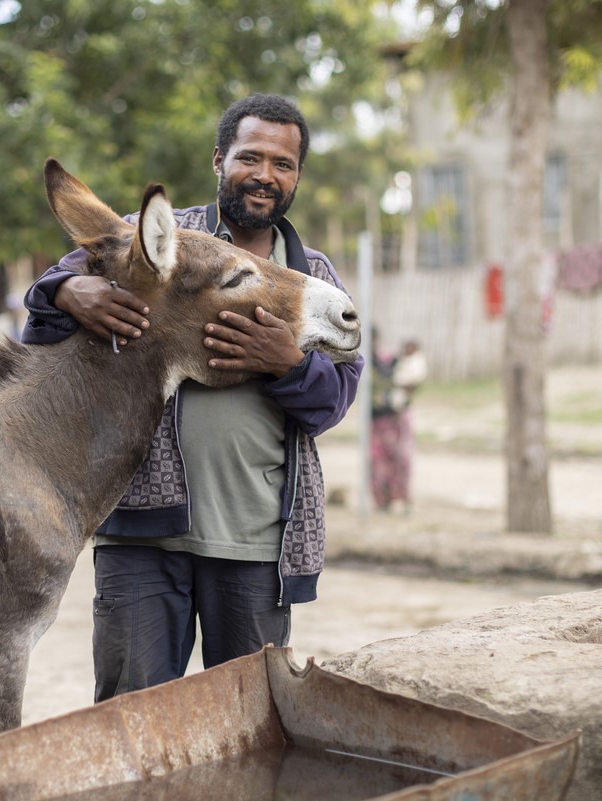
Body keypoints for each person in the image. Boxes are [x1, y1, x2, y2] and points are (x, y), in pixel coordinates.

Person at [22, 93, 362, 702]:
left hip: (256, 542)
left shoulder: (311, 273)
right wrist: (68, 290)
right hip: (141, 539)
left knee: (247, 716)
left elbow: (334, 401)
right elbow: (51, 300)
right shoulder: (162, 239)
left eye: (282, 164)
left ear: (297, 176)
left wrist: (286, 364)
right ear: (219, 160)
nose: (264, 175)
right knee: (130, 715)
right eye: (250, 157)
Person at [369, 338, 427, 514]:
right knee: (380, 463)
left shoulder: (402, 364)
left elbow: (412, 384)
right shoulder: (369, 363)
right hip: (379, 420)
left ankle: (401, 499)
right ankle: (383, 501)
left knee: (400, 461)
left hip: (397, 419)